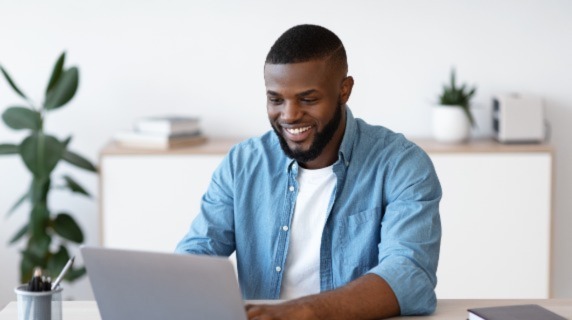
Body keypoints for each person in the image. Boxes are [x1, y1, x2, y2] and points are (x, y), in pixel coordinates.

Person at [176, 24, 442, 320]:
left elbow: (408, 275)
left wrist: (302, 311)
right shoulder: (243, 163)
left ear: (344, 90)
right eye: (276, 99)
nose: (289, 115)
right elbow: (198, 253)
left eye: (308, 99)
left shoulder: (401, 164)